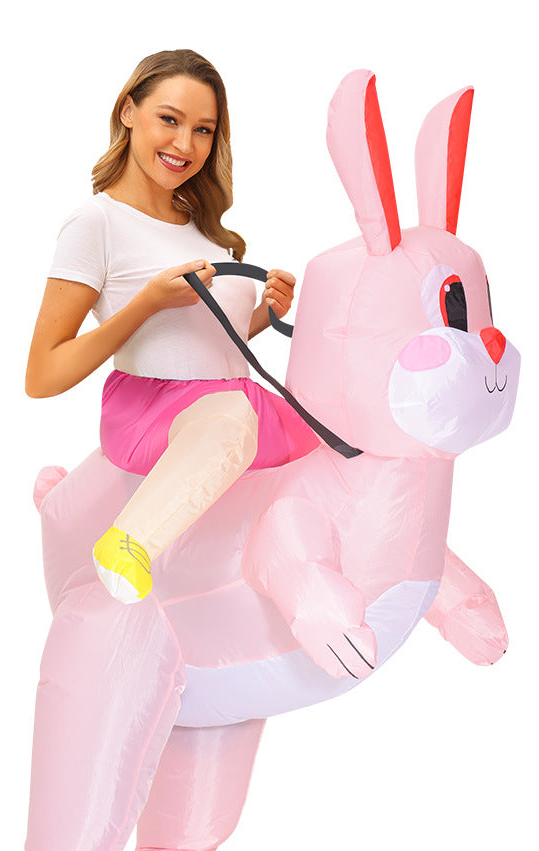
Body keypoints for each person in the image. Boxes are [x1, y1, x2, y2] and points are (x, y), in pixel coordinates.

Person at [25, 49, 318, 602]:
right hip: (151, 413)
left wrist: (265, 315)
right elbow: (41, 376)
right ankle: (125, 546)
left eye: (203, 130)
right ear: (128, 111)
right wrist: (146, 304)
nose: (185, 145)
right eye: (169, 119)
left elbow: (203, 347)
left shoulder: (206, 230)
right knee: (231, 417)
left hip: (225, 407)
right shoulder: (96, 222)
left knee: (320, 444)